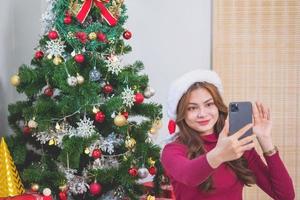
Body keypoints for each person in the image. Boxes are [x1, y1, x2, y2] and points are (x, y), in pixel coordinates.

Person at [161, 69, 295, 200]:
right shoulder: (172, 150)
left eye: (209, 104)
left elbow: (285, 196)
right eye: (192, 108)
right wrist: (219, 154)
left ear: (218, 107)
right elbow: (189, 176)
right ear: (182, 113)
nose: (202, 113)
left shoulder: (237, 145)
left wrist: (265, 139)